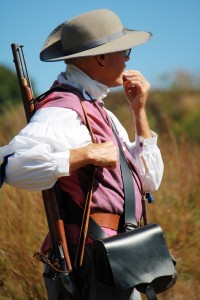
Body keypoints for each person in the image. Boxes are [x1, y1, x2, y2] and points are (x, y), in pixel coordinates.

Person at [0, 9, 164, 300]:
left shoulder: (99, 110)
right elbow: (14, 166)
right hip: (93, 258)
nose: (128, 59)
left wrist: (138, 111)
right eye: (123, 50)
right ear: (101, 57)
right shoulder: (62, 109)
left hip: (118, 254)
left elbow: (150, 181)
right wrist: (84, 154)